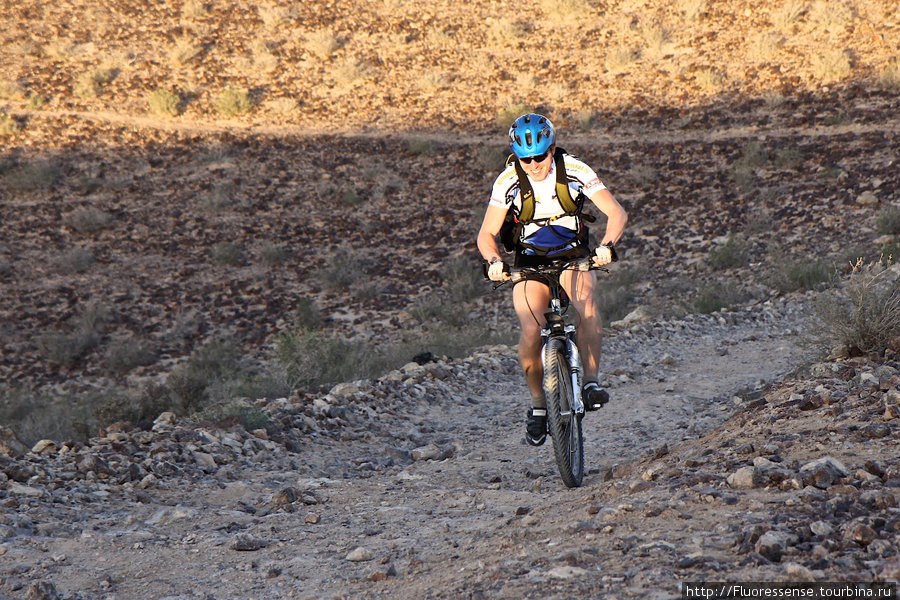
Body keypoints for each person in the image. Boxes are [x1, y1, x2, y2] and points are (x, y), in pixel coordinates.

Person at [477, 113, 628, 446]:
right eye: (525, 158)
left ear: (553, 148)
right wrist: (493, 261)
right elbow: (486, 233)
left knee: (586, 304)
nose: (533, 164)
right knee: (531, 328)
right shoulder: (507, 181)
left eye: (540, 156)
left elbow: (616, 212)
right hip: (529, 259)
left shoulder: (574, 170)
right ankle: (538, 406)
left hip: (573, 254)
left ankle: (589, 382)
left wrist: (607, 246)